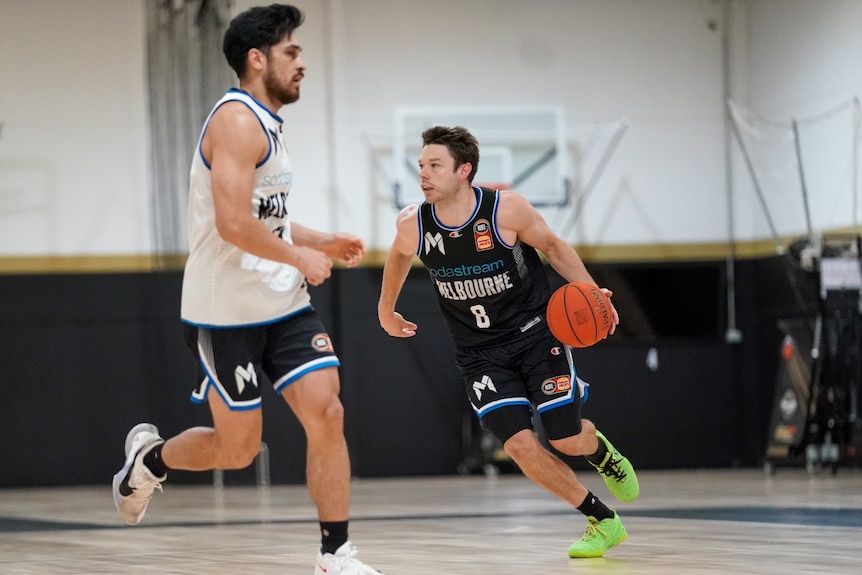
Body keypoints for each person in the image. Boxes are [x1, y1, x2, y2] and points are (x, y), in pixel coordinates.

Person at [112, 5, 382, 574]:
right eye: (292, 52)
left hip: (283, 304)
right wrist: (300, 255)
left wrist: (320, 239)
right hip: (224, 309)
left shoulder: (269, 122)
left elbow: (267, 218)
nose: (303, 63)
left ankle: (336, 554)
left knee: (327, 412)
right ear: (257, 59)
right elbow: (233, 224)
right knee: (236, 450)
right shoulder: (235, 121)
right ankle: (150, 460)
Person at [377, 125, 639, 559]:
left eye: (434, 165)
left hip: (538, 336)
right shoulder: (413, 223)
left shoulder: (505, 211)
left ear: (464, 170)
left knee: (566, 439)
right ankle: (602, 520)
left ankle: (604, 456)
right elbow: (400, 254)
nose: (423, 173)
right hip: (479, 355)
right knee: (518, 445)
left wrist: (595, 294)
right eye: (421, 165)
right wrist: (386, 310)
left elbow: (553, 246)